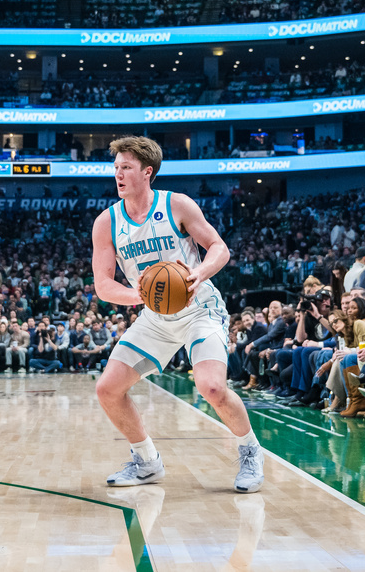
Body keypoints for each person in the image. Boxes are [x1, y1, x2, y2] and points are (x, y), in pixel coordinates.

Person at [91, 136, 264, 492]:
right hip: (154, 317)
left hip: (200, 309)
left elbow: (219, 247)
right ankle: (147, 462)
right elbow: (103, 285)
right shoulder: (106, 222)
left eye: (126, 167)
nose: (118, 174)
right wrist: (136, 296)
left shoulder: (177, 205)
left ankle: (250, 451)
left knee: (212, 387)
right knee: (108, 389)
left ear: (147, 172)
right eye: (116, 168)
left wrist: (200, 273)